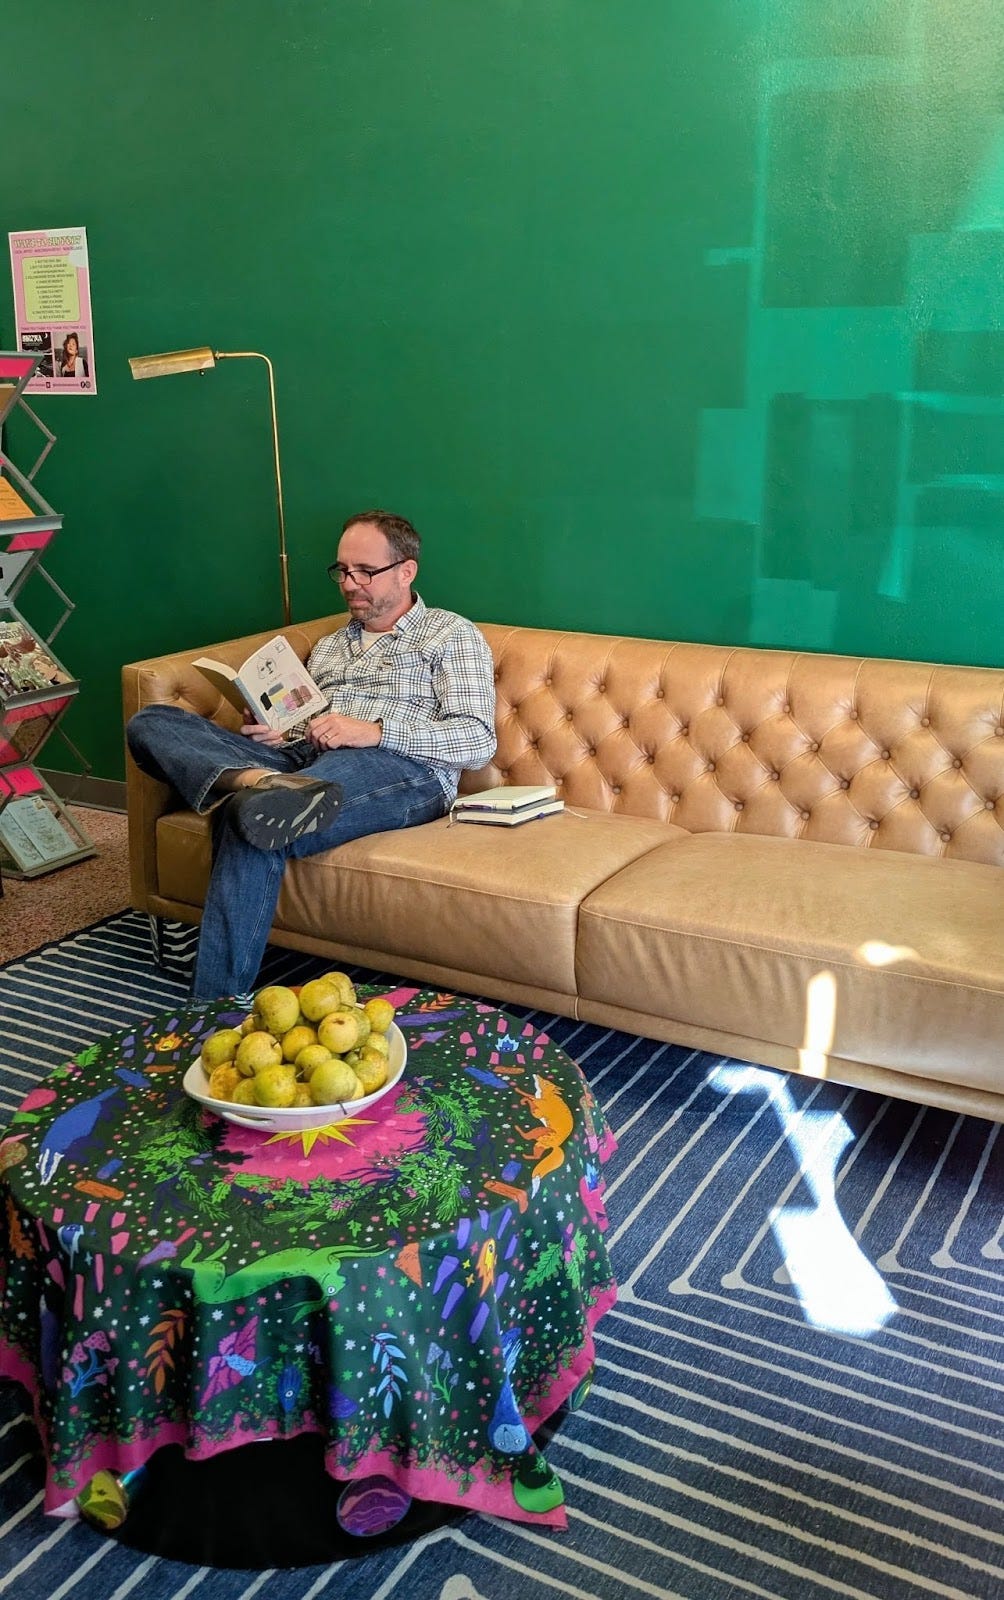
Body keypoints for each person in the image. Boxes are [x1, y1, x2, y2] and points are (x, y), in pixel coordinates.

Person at [127, 509, 497, 1000]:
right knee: (151, 722)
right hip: (299, 763)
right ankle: (252, 779)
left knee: (251, 817)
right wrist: (271, 734)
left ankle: (212, 1011)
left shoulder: (450, 635)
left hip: (399, 769)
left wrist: (376, 731)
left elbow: (476, 740)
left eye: (365, 571)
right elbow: (308, 726)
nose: (349, 584)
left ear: (406, 571)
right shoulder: (327, 647)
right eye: (342, 571)